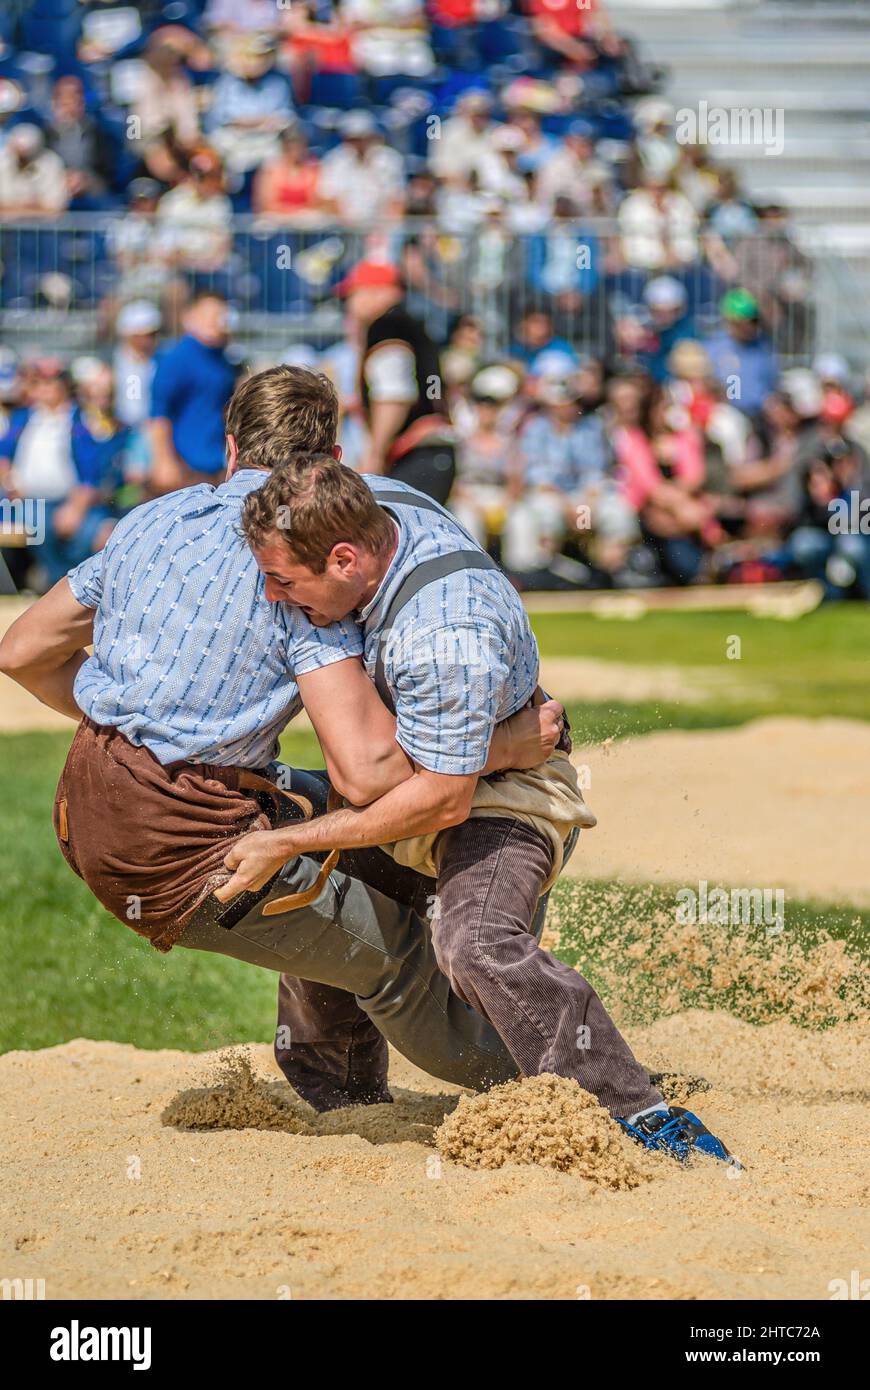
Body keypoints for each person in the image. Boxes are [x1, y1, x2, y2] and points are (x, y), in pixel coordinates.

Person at [0, 366, 558, 1113]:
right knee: (393, 957)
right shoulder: (288, 566)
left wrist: (137, 729)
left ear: (229, 448)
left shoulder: (153, 521)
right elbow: (367, 774)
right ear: (329, 464)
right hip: (179, 842)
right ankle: (554, 1086)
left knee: (334, 833)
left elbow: (21, 651)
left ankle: (343, 1095)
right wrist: (507, 746)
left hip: (84, 806)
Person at [216, 455, 739, 1164]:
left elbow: (441, 796)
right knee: (308, 854)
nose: (272, 596)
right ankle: (337, 1096)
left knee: (475, 943)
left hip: (505, 800)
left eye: (282, 580)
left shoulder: (443, 635)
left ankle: (636, 1113)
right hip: (454, 764)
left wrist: (292, 838)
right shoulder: (380, 509)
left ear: (345, 558)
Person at [339, 259, 457, 503]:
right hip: (431, 455)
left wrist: (375, 454)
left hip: (415, 456)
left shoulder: (387, 327)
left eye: (352, 295)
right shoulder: (409, 323)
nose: (348, 305)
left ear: (377, 292)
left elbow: (395, 395)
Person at [147, 290, 238, 493]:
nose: (215, 321)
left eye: (219, 316)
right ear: (190, 318)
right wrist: (163, 460)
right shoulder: (177, 359)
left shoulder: (222, 360)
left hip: (216, 466)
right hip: (185, 469)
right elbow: (159, 413)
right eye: (208, 315)